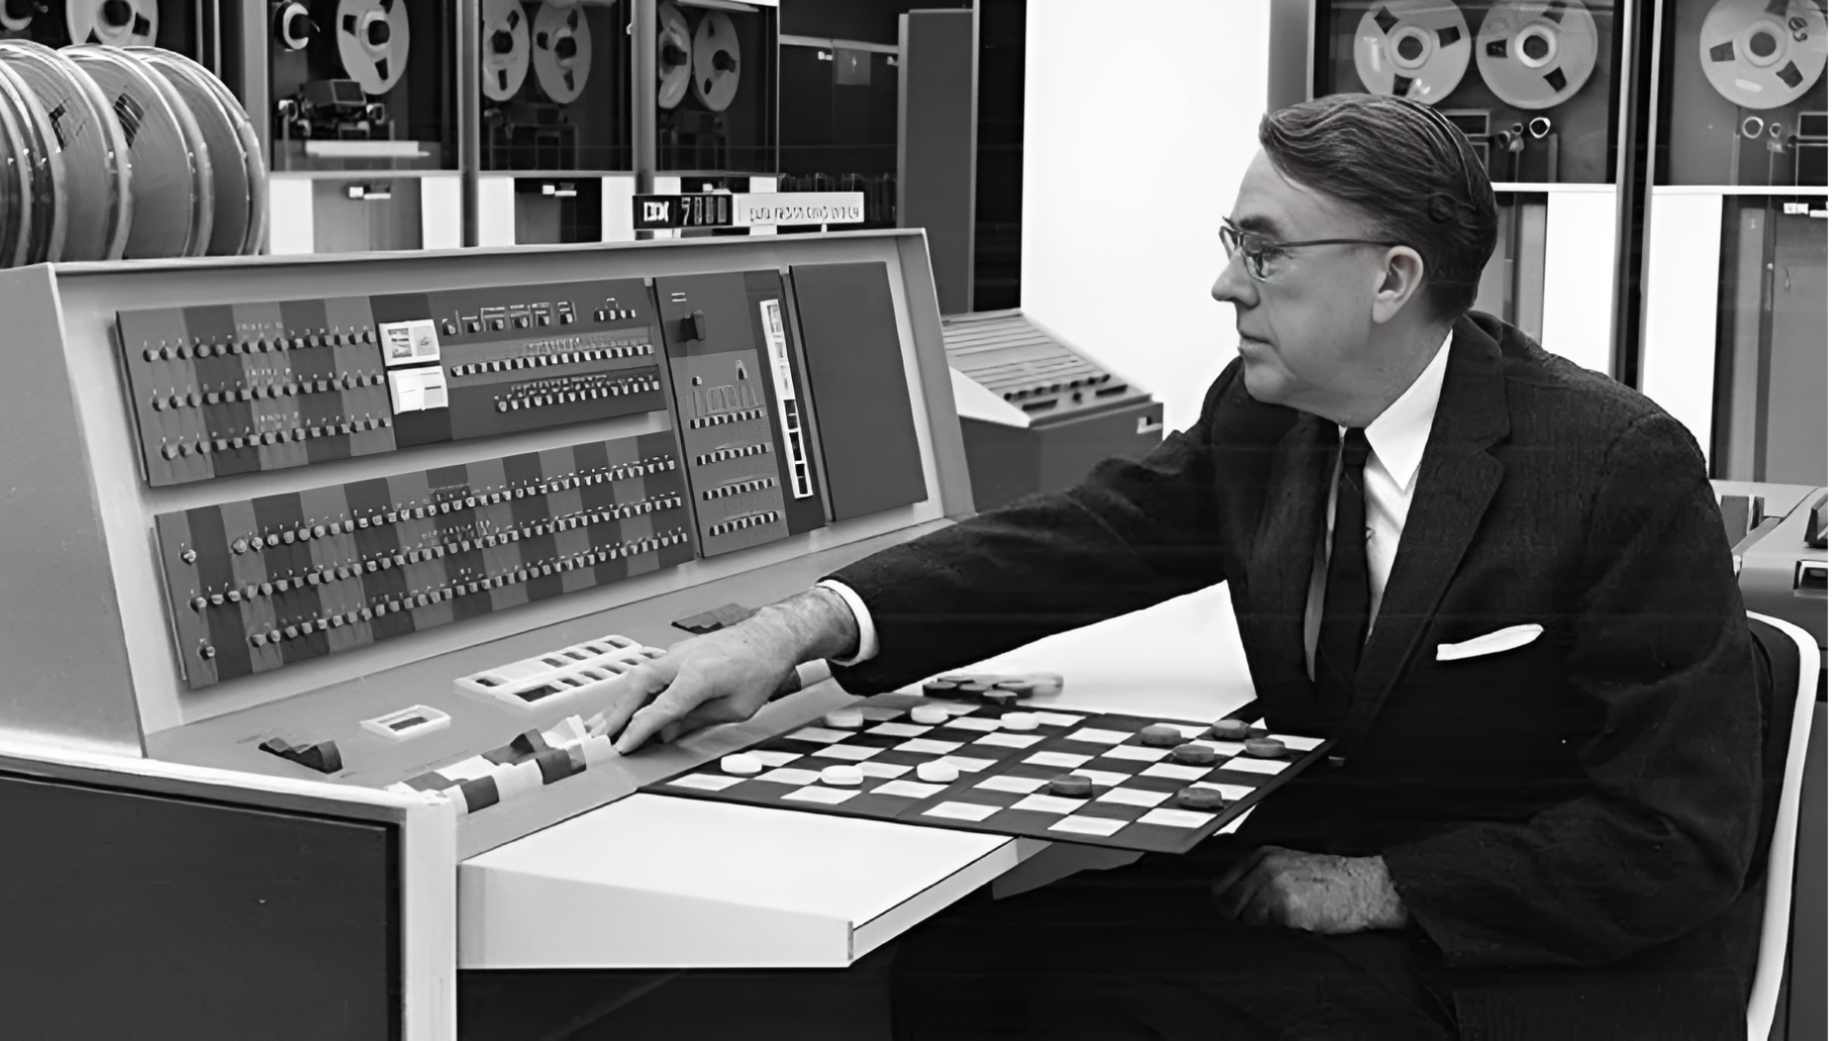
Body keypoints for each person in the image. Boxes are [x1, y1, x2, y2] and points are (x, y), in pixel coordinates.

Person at [604, 94, 1763, 1040]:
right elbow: (1083, 539)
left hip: (1521, 964)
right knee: (960, 955)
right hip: (1311, 870)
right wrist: (803, 625)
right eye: (1232, 244)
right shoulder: (1270, 420)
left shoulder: (1611, 466)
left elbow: (1677, 838)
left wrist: (1379, 886)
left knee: (1119, 1010)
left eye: (1264, 253)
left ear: (1393, 280)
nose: (1226, 285)